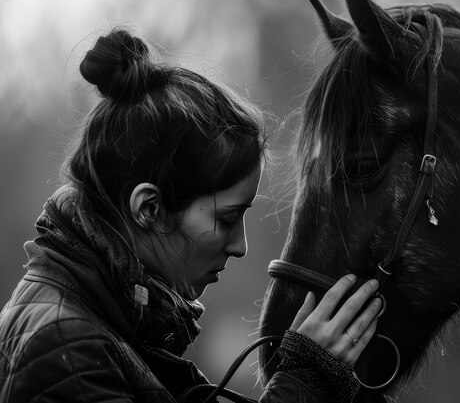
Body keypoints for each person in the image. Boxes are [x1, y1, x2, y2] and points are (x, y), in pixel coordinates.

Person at [0, 29, 382, 403]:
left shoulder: (109, 324)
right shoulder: (65, 348)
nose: (241, 247)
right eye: (228, 218)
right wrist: (307, 382)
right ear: (149, 209)